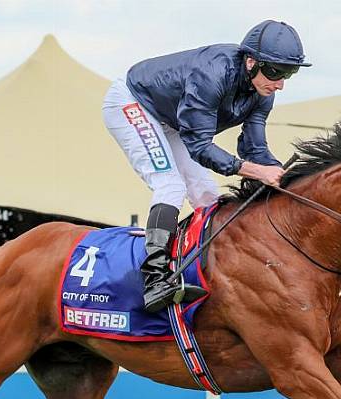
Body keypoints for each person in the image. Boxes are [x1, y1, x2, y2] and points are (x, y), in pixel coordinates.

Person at [103, 20, 310, 312]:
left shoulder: (262, 93)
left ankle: (217, 271)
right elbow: (200, 147)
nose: (280, 83)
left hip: (173, 119)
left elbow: (254, 149)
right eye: (276, 72)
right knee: (170, 184)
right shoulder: (212, 75)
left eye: (289, 73)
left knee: (207, 195)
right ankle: (155, 279)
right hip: (132, 102)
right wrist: (257, 172)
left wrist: (280, 176)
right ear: (250, 62)